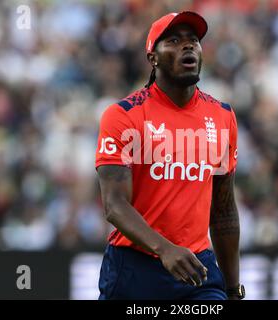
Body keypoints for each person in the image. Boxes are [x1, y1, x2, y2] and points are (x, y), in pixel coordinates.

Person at [95, 11, 244, 300]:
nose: (188, 46)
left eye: (193, 40)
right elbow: (114, 205)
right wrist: (165, 249)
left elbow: (224, 211)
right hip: (135, 267)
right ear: (153, 57)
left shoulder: (222, 116)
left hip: (197, 268)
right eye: (174, 40)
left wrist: (233, 288)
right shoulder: (124, 115)